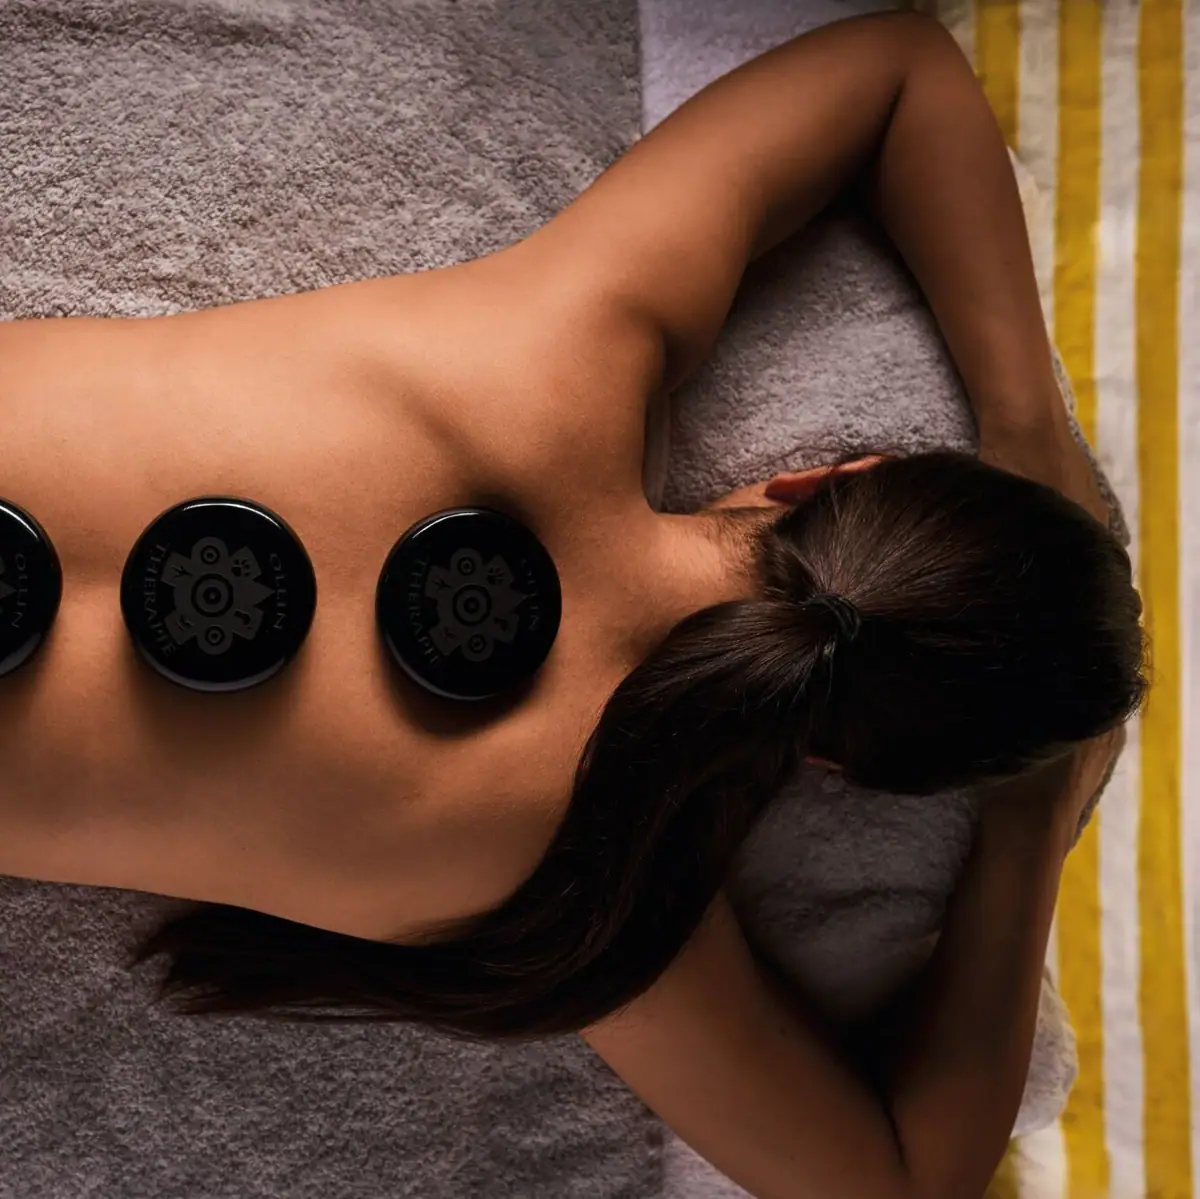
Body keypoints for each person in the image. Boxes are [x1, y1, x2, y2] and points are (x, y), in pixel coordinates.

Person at [0, 12, 1144, 1199]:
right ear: (844, 766)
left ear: (829, 477)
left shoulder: (568, 344)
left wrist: (1028, 434)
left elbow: (901, 71)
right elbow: (905, 1179)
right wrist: (1026, 825)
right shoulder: (589, 890)